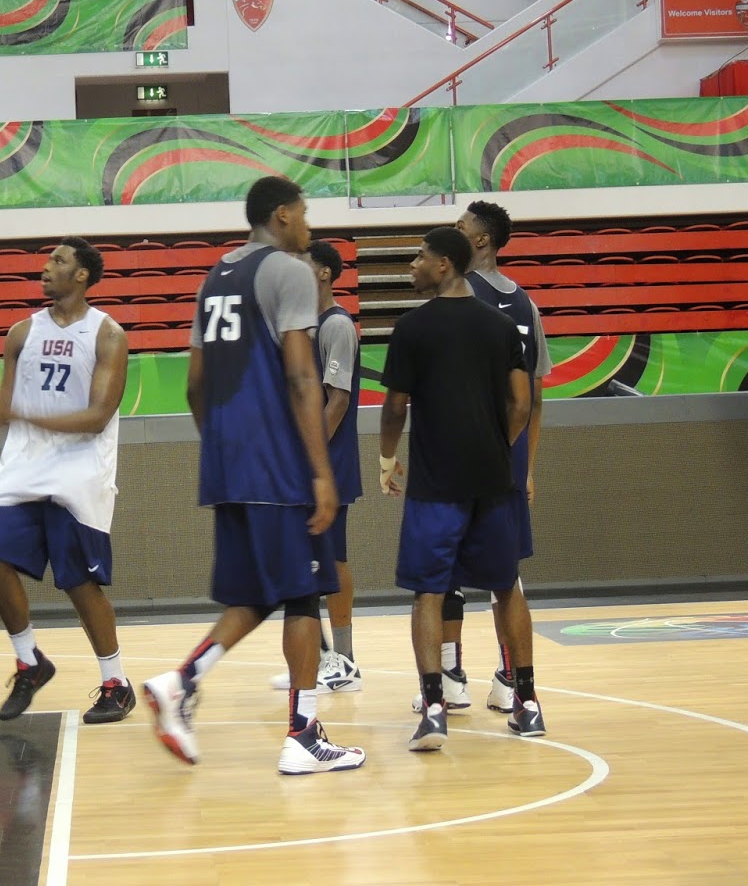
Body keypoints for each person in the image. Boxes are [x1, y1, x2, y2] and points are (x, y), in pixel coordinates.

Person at [144, 176, 366, 775]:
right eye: (304, 213)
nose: (309, 225)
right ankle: (279, 725)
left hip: (228, 462)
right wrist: (320, 472)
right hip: (278, 463)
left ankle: (204, 691)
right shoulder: (289, 271)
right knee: (301, 591)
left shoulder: (215, 277)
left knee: (274, 593)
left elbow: (195, 383)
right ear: (281, 215)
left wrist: (221, 443)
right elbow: (301, 378)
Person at [379, 227, 539, 752]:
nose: (412, 266)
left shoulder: (412, 328)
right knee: (506, 586)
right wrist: (499, 445)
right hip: (493, 481)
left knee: (429, 591)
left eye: (419, 257)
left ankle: (433, 709)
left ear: (444, 264)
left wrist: (386, 458)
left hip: (435, 485)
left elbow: (397, 405)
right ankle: (528, 703)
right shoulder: (500, 327)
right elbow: (522, 404)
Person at [0, 237, 135, 725]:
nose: (46, 267)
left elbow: (99, 416)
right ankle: (30, 661)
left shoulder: (107, 335)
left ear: (82, 275)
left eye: (58, 261)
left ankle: (115, 683)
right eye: (47, 260)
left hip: (79, 468)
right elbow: (6, 407)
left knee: (78, 582)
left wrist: (26, 415)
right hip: (24, 464)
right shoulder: (21, 333)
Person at [423, 200, 553, 715]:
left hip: (460, 454)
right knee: (505, 574)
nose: (451, 233)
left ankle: (451, 676)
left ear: (480, 241)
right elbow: (535, 398)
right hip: (508, 458)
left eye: (460, 227)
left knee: (444, 569)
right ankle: (512, 682)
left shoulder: (453, 298)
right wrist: (528, 467)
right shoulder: (525, 305)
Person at [268, 238, 364, 694]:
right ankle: (321, 657)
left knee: (335, 557)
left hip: (331, 460)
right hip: (304, 462)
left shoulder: (337, 325)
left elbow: (337, 399)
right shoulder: (302, 326)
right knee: (307, 560)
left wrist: (309, 455)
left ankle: (344, 660)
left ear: (323, 272)